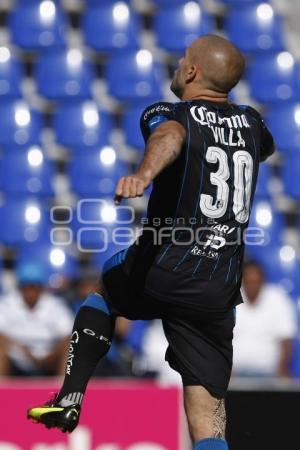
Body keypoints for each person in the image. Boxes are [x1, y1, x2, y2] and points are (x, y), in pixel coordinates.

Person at [27, 34, 275, 450]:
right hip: (217, 290)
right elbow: (261, 147)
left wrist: (144, 175)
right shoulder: (253, 124)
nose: (178, 63)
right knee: (208, 417)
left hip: (165, 265)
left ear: (193, 71)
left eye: (183, 60)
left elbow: (171, 136)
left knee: (105, 288)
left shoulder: (169, 112)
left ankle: (69, 398)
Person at [0, 262, 73, 376]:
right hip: (16, 359)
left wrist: (51, 354)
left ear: (41, 288)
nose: (30, 292)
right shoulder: (6, 304)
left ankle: (63, 391)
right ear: (20, 288)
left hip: (49, 358)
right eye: (26, 287)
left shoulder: (55, 305)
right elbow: (1, 335)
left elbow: (68, 335)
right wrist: (22, 351)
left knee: (70, 348)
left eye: (34, 287)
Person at [233, 261, 297, 377]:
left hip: (270, 374)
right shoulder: (229, 299)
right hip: (233, 375)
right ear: (242, 281)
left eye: (256, 281)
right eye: (249, 281)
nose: (252, 284)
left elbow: (286, 341)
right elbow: (220, 339)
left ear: (263, 281)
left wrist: (281, 372)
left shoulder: (278, 299)